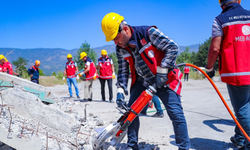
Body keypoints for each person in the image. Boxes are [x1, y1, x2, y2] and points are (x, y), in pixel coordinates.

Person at [101, 12, 190, 150]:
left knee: (175, 113)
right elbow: (123, 70)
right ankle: (132, 146)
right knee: (131, 112)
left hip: (166, 79)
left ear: (125, 29)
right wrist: (120, 90)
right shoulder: (120, 48)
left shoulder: (148, 33)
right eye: (112, 39)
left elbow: (172, 47)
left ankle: (183, 147)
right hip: (143, 81)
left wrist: (162, 71)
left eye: (116, 37)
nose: (115, 42)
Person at [206, 0, 250, 149]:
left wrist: (209, 68)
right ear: (239, 0)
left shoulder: (220, 20)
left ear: (220, 4)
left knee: (242, 109)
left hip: (237, 72)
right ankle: (240, 138)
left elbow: (215, 48)